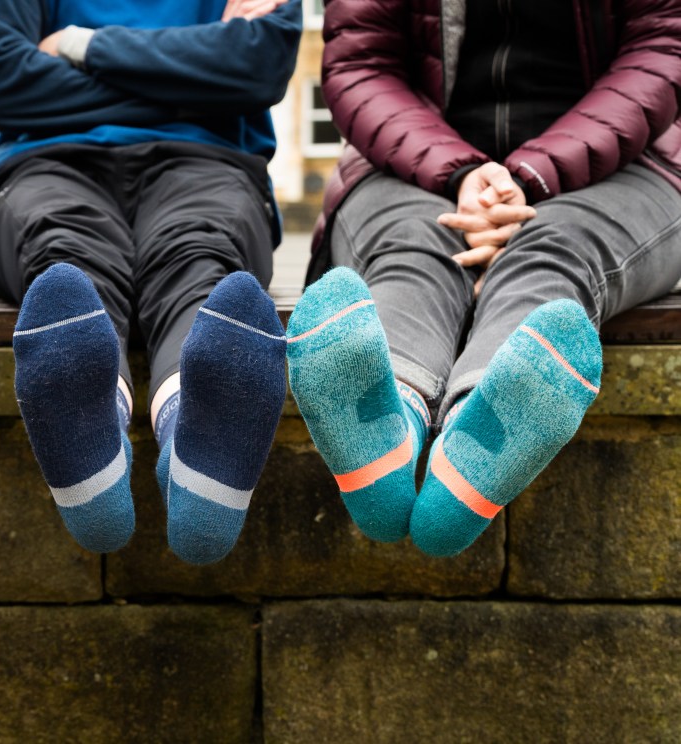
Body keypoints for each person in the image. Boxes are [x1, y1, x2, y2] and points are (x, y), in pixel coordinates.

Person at [286, 0, 681, 556]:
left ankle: (407, 423)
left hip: (626, 163)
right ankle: (444, 441)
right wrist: (463, 173)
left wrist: (529, 176)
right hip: (407, 165)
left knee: (553, 246)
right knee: (416, 247)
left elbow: (662, 51)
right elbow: (361, 66)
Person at [0, 0, 302, 564]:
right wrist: (196, 82)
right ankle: (104, 437)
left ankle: (186, 446)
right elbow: (2, 82)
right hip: (45, 164)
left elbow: (258, 66)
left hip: (209, 163)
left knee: (200, 257)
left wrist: (80, 46)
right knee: (66, 265)